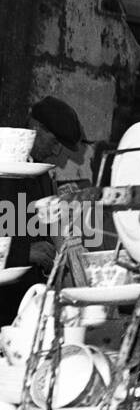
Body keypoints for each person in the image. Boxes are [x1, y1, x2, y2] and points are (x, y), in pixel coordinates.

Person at [0, 96, 91, 324]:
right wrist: (25, 252)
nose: (57, 151)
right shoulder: (5, 166)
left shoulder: (40, 172)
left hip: (26, 300)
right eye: (55, 141)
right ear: (35, 128)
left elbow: (39, 226)